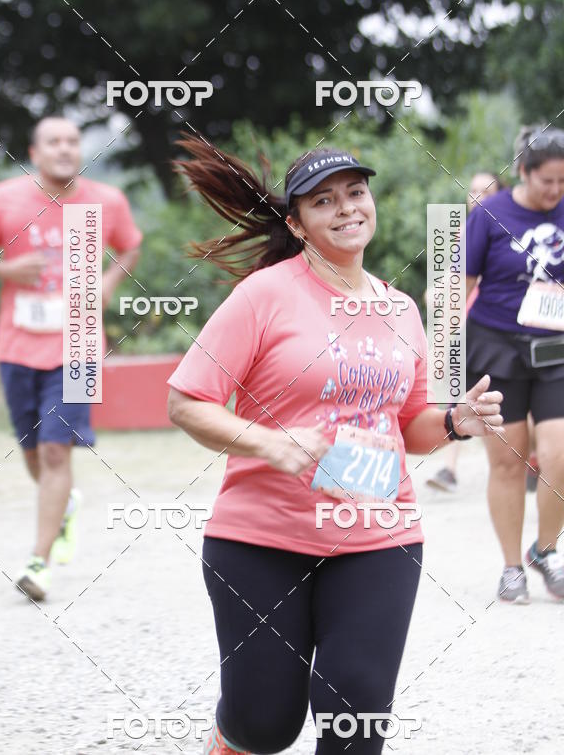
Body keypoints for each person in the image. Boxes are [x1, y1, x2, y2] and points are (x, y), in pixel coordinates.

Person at [166, 136, 503, 755]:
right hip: (262, 539)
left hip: (380, 534)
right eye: (324, 200)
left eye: (355, 192)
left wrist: (456, 421)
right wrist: (268, 441)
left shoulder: (400, 307)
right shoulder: (264, 295)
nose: (347, 208)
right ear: (296, 223)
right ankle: (232, 737)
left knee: (355, 727)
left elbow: (409, 427)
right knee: (263, 726)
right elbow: (186, 401)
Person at [0, 116, 142, 601]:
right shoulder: (4, 199)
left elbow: (130, 246)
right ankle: (62, 503)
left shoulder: (105, 201)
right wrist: (8, 269)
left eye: (72, 141)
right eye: (54, 142)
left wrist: (106, 283)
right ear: (34, 152)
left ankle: (38, 563)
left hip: (81, 343)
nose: (65, 149)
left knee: (54, 449)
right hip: (19, 344)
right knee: (31, 447)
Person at [466, 125, 564, 604]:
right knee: (507, 462)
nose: (556, 191)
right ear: (523, 172)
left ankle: (545, 550)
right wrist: (440, 365)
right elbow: (458, 286)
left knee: (559, 454)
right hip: (495, 346)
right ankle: (510, 567)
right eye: (548, 181)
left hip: (556, 350)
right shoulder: (489, 213)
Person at [427, 171, 503, 493]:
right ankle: (449, 469)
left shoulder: (505, 233)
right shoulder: (456, 234)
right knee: (457, 396)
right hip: (461, 327)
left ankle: (527, 461)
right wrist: (436, 294)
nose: (478, 197)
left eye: (486, 192)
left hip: (496, 331)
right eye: (473, 192)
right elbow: (445, 281)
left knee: (500, 397)